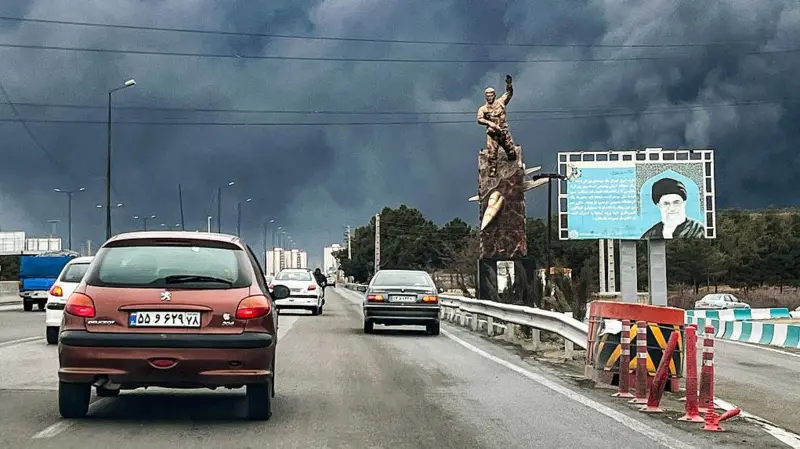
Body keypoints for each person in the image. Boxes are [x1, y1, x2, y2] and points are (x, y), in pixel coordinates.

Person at [476, 74, 520, 177]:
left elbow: (509, 93)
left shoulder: (501, 103)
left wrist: (509, 84)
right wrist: (489, 122)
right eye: (487, 96)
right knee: (492, 153)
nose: (489, 98)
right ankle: (493, 170)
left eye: (491, 96)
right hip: (492, 134)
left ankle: (513, 168)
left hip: (503, 132)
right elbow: (479, 119)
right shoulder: (483, 109)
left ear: (494, 95)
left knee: (511, 152)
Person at [640, 177, 705, 239]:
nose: (672, 208)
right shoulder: (651, 234)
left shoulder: (698, 229)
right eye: (666, 204)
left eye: (676, 203)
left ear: (684, 203)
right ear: (658, 206)